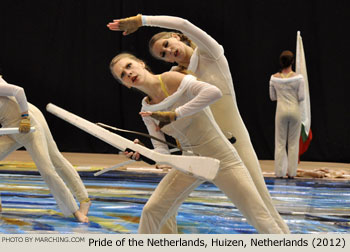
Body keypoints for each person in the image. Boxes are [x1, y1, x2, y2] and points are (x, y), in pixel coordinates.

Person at [107, 14, 290, 233]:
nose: (168, 52)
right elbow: (163, 151)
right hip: (194, 158)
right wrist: (143, 153)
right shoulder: (174, 75)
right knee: (157, 210)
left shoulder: (208, 55)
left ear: (176, 37)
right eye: (163, 54)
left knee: (260, 207)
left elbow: (185, 25)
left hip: (232, 144)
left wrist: (142, 20)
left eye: (167, 44)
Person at [0, 75, 91, 222]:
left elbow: (18, 91)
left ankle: (77, 208)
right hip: (12, 127)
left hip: (28, 123)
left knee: (49, 167)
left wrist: (24, 117)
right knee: (55, 159)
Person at [269, 50, 305, 179]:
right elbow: (301, 97)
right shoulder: (299, 78)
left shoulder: (274, 78)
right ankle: (292, 172)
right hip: (295, 110)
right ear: (292, 62)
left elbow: (272, 97)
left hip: (281, 110)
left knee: (280, 142)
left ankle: (279, 172)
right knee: (293, 143)